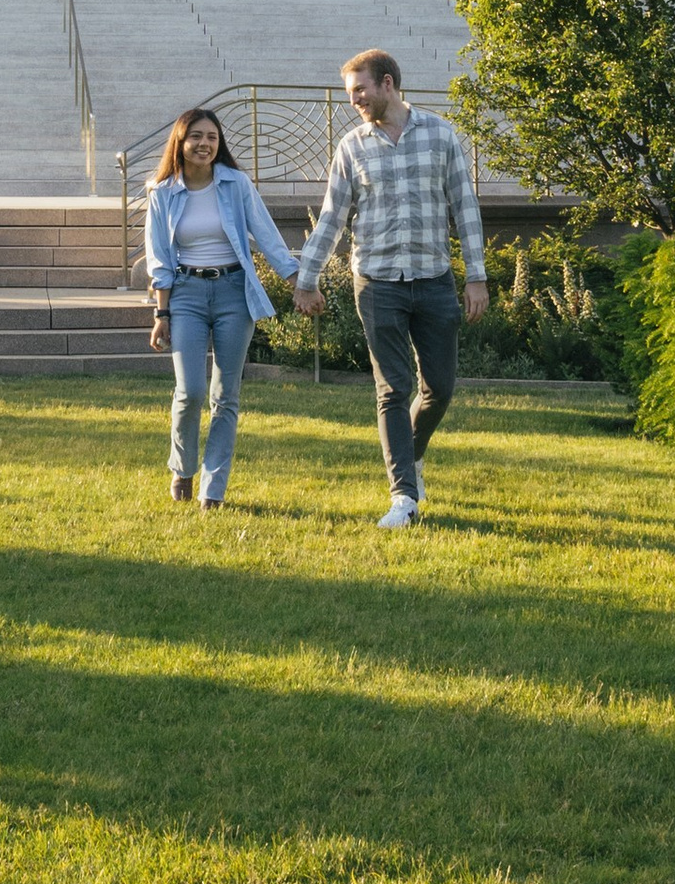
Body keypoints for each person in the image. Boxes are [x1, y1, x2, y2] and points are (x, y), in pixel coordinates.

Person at [293, 50, 488, 527]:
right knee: (393, 389)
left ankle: (411, 454)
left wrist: (476, 276)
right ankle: (404, 496)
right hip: (377, 283)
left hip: (434, 279)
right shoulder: (351, 147)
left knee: (439, 388)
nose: (354, 100)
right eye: (350, 93)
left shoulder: (440, 135)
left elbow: (464, 207)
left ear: (387, 83)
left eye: (360, 90)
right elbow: (332, 218)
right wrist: (307, 279)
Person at [144, 106, 297, 507]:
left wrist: (297, 280)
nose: (204, 144)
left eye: (212, 137)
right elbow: (158, 258)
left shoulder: (235, 183)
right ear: (180, 141)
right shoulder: (162, 192)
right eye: (196, 136)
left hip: (234, 293)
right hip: (186, 295)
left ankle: (213, 489)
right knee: (190, 390)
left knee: (226, 395)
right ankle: (182, 469)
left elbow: (266, 233)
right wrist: (162, 314)